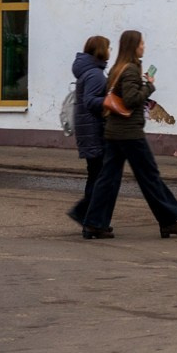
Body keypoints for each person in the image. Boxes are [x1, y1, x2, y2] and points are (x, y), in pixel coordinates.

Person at [83, 29, 177, 241]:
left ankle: (94, 224)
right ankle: (168, 221)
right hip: (130, 134)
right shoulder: (130, 69)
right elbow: (132, 100)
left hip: (114, 132)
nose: (144, 46)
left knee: (108, 179)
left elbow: (123, 94)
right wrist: (149, 86)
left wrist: (141, 84)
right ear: (134, 46)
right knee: (150, 177)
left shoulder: (117, 68)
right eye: (142, 43)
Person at [67, 35, 111, 228]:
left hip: (89, 131)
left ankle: (87, 215)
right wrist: (111, 102)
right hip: (94, 132)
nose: (110, 51)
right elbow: (91, 101)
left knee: (95, 175)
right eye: (108, 47)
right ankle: (85, 214)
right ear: (101, 50)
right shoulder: (94, 73)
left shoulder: (89, 71)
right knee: (100, 177)